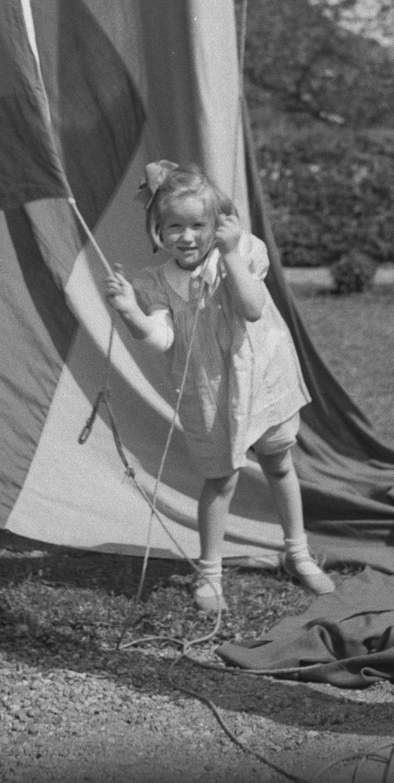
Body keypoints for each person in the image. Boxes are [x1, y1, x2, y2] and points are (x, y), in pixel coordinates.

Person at [104, 160, 335, 613]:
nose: (187, 237)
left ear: (216, 225)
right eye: (174, 226)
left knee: (279, 463)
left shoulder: (243, 251)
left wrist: (229, 255)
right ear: (157, 229)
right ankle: (210, 572)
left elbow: (251, 309)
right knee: (220, 479)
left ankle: (298, 553)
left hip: (261, 378)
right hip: (208, 389)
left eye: (198, 225)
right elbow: (162, 338)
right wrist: (131, 312)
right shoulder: (157, 283)